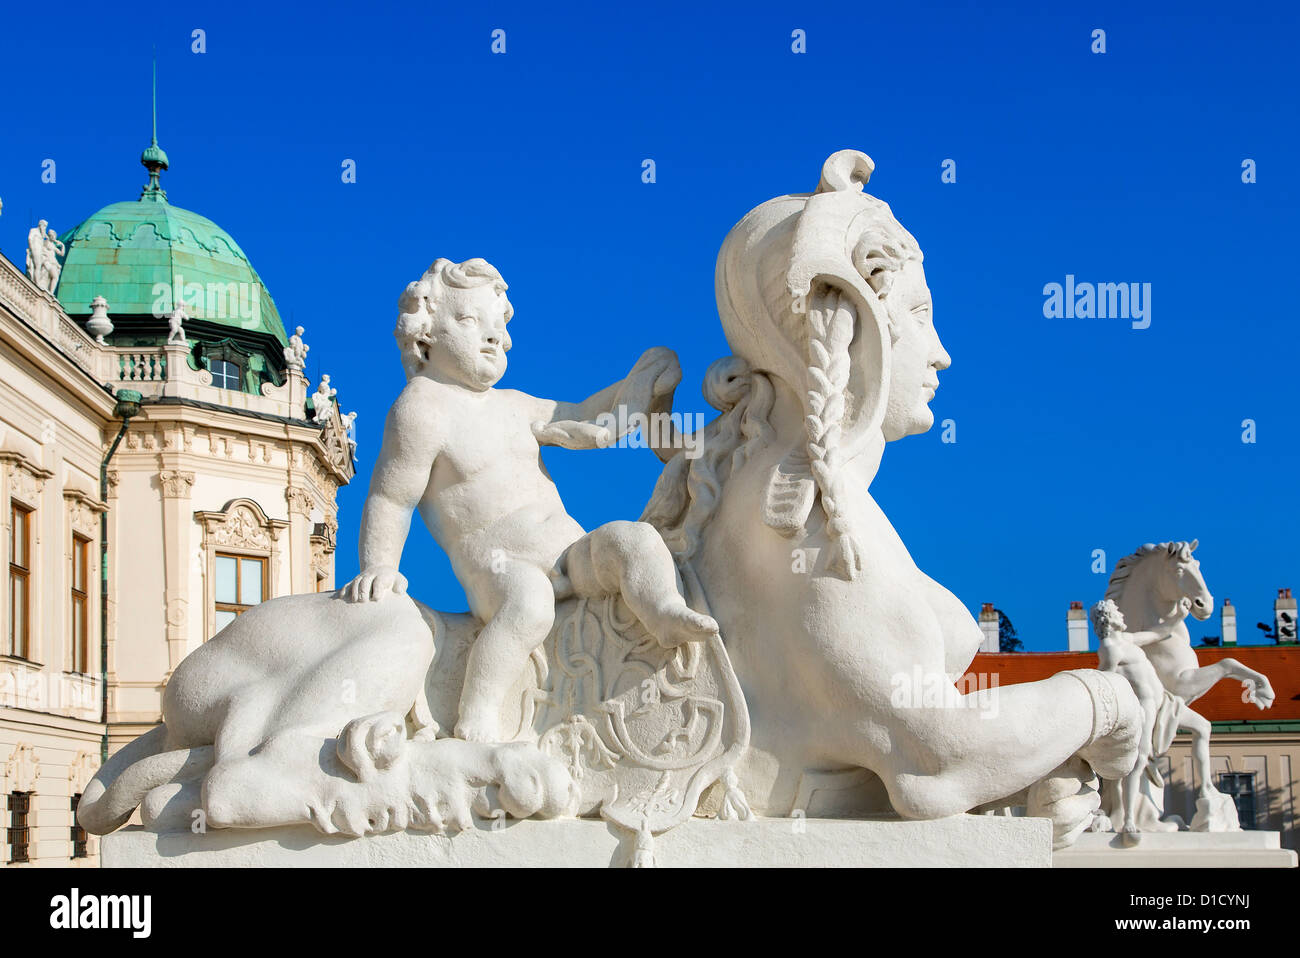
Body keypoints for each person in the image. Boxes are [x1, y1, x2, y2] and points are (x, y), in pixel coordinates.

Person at [342, 258, 717, 743]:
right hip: (498, 568)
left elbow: (583, 415)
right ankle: (477, 714)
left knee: (634, 538)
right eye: (470, 320)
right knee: (531, 605)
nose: (494, 336)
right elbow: (391, 498)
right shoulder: (422, 407)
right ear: (427, 330)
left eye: (499, 326)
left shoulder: (515, 405)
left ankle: (664, 612)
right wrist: (379, 565)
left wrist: (641, 381)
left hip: (569, 552)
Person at [1090, 597, 1188, 845]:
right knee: (1138, 758)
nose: (1122, 615)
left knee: (1202, 729)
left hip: (1162, 702)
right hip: (1142, 706)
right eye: (1117, 612)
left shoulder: (1127, 640)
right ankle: (1130, 819)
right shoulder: (1111, 647)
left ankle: (1132, 816)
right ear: (1109, 618)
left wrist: (1179, 617)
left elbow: (1158, 634)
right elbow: (1106, 681)